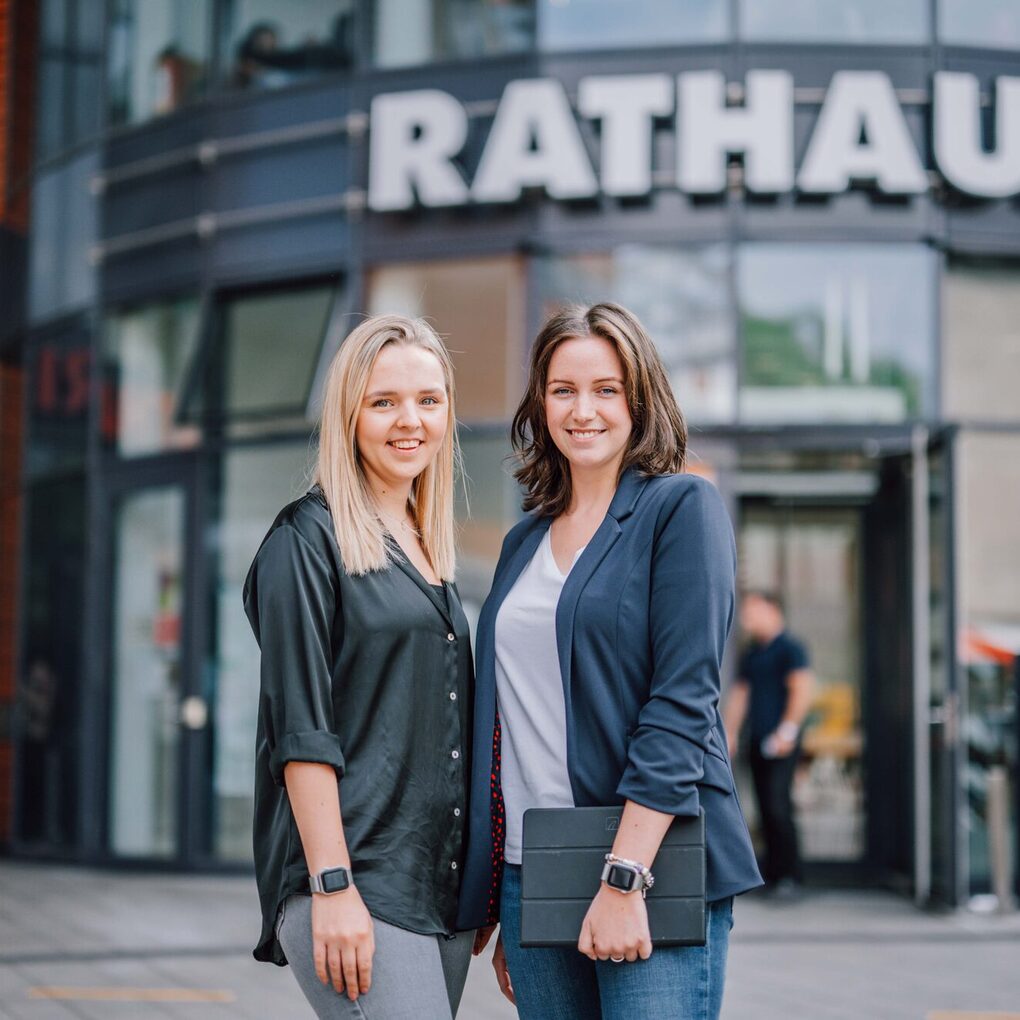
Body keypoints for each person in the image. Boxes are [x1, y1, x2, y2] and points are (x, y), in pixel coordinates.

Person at [458, 303, 762, 1020]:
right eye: (563, 390)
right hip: (538, 872)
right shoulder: (522, 542)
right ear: (540, 403)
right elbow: (508, 721)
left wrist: (625, 880)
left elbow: (683, 702)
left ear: (639, 399)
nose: (582, 409)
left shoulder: (681, 508)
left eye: (605, 389)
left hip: (645, 863)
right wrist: (507, 895)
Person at [243, 315, 475, 1019]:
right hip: (357, 881)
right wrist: (333, 885)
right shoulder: (303, 540)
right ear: (349, 413)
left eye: (429, 401)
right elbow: (301, 730)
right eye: (384, 402)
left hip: (441, 887)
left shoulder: (426, 549)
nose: (411, 421)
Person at [723, 591, 815, 897]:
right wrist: (730, 733)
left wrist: (787, 731)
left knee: (779, 806)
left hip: (781, 744)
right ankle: (773, 876)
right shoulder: (754, 653)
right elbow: (741, 695)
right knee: (763, 808)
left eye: (753, 611)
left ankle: (792, 875)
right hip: (757, 741)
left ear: (772, 610)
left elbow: (801, 689)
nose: (747, 619)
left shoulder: (790, 648)